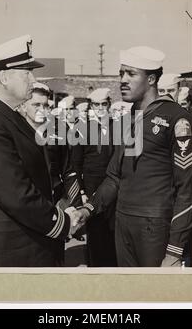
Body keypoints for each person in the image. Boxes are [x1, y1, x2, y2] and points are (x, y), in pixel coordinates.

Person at [78, 46, 192, 268]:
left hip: (155, 229)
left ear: (151, 79)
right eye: (121, 73)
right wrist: (88, 209)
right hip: (123, 223)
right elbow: (114, 177)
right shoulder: (128, 119)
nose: (123, 80)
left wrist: (175, 249)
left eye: (131, 74)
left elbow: (187, 190)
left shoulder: (176, 119)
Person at [0, 35, 82, 267]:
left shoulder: (4, 115)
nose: (33, 80)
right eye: (26, 73)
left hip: (28, 241)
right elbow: (16, 193)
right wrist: (62, 222)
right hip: (11, 249)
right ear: (4, 77)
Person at [72, 88, 117, 267]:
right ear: (91, 106)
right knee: (95, 228)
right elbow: (76, 163)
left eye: (103, 104)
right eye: (96, 104)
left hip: (114, 184)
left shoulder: (118, 126)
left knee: (113, 228)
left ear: (109, 105)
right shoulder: (81, 129)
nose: (100, 108)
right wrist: (82, 190)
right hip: (91, 185)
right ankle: (96, 266)